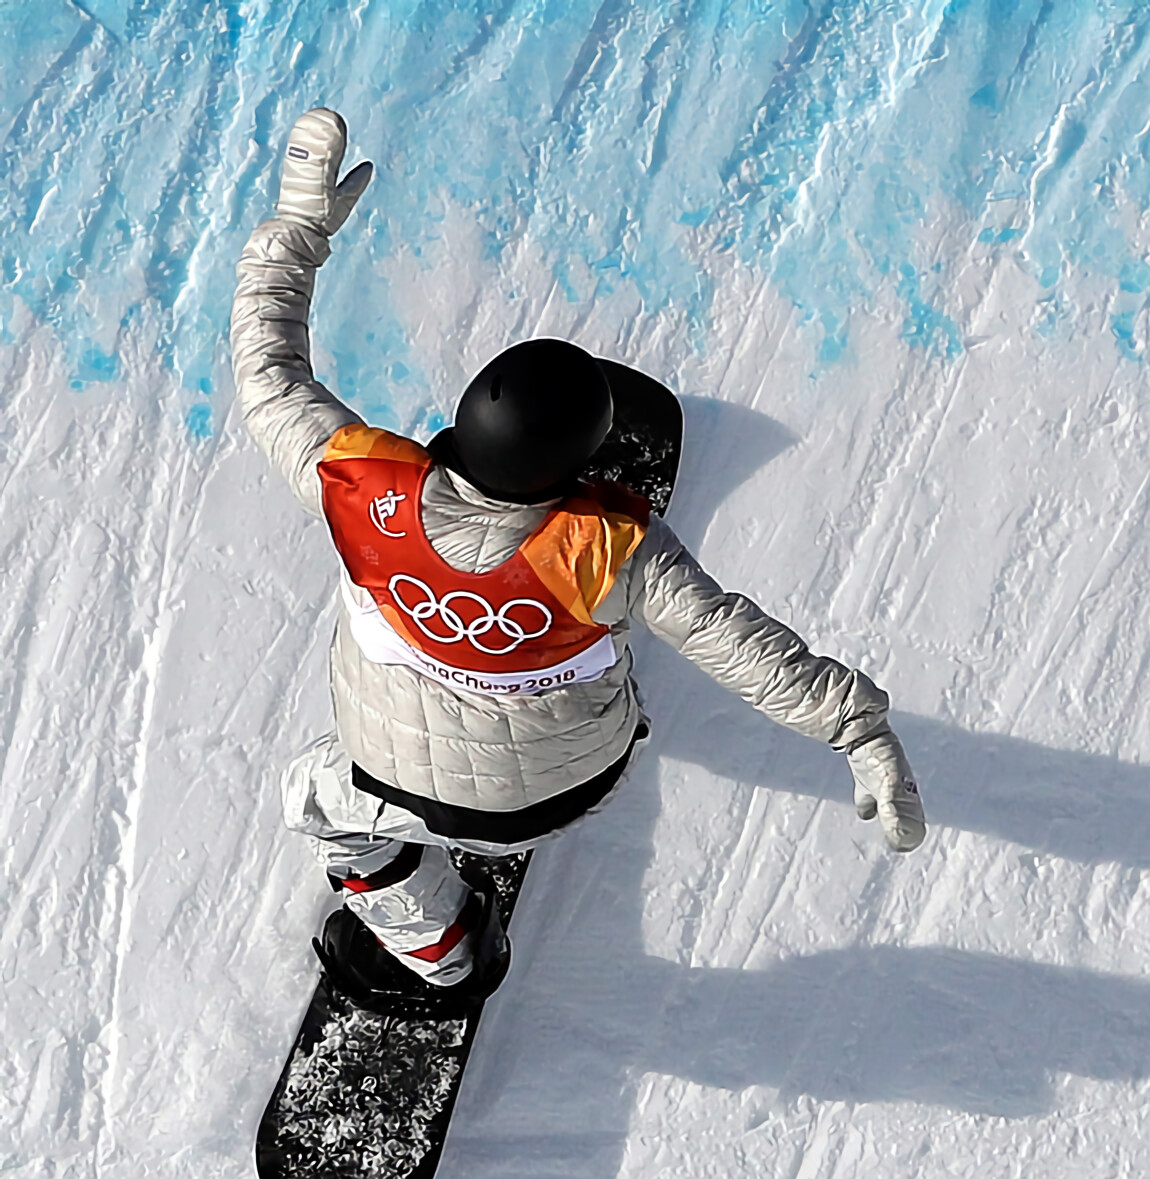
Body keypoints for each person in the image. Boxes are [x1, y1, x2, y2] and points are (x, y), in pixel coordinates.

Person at [232, 107, 925, 1006]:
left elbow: (268, 372)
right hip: (578, 787)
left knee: (325, 810)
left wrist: (296, 235)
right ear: (574, 476)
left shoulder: (358, 485)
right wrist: (859, 729)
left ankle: (440, 949)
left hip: (396, 786)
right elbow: (744, 647)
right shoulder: (610, 551)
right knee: (597, 657)